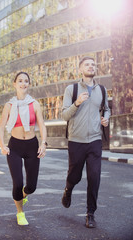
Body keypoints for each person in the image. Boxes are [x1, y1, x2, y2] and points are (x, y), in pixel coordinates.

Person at [61, 56, 110, 228]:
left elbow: (107, 109)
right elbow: (64, 115)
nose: (91, 66)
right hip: (76, 140)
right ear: (80, 69)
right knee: (75, 175)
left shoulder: (102, 90)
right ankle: (68, 189)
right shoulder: (71, 89)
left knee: (94, 177)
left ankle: (90, 213)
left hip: (95, 140)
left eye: (93, 64)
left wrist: (106, 119)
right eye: (87, 64)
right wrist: (76, 103)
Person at [0, 71, 47, 226]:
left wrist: (43, 143)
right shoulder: (9, 106)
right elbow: (0, 128)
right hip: (15, 147)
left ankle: (22, 195)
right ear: (15, 84)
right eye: (20, 81)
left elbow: (42, 125)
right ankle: (20, 212)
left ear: (29, 84)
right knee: (17, 183)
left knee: (31, 187)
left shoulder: (35, 104)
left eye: (26, 81)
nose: (23, 83)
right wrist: (2, 145)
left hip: (32, 146)